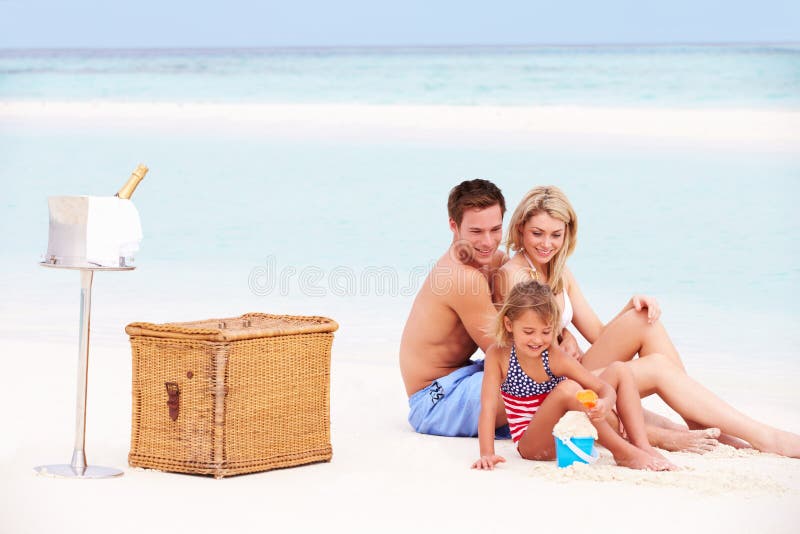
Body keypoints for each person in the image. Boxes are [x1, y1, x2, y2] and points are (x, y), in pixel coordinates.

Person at [494, 185, 800, 456]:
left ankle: (699, 420)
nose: (546, 244)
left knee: (642, 318)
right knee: (657, 367)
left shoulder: (560, 273)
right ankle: (766, 437)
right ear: (520, 229)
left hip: (571, 372)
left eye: (556, 235)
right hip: (548, 389)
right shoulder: (514, 275)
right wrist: (563, 336)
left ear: (567, 234)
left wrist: (629, 306)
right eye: (537, 233)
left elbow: (599, 335)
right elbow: (526, 350)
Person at [472, 280, 675, 471]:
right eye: (528, 331)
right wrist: (487, 453)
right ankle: (623, 452)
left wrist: (606, 402)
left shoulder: (554, 357)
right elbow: (488, 408)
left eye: (546, 332)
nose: (537, 339)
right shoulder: (498, 356)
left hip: (565, 433)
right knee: (569, 388)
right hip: (532, 444)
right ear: (509, 325)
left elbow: (601, 387)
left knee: (619, 370)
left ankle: (642, 445)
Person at [400, 179, 511, 438]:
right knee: (547, 384)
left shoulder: (494, 261)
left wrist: (566, 336)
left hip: (466, 373)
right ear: (454, 225)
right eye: (476, 232)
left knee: (559, 375)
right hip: (434, 400)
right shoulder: (462, 277)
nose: (488, 241)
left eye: (495, 229)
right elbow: (509, 357)